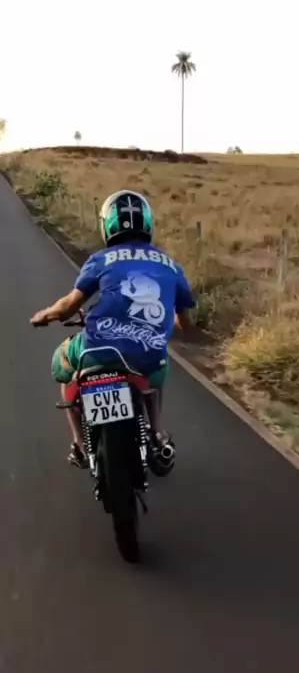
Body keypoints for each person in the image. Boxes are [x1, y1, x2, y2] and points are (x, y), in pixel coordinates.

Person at [30, 189, 196, 469]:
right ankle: (157, 433)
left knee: (64, 362)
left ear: (107, 225)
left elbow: (69, 306)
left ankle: (80, 445)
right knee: (157, 367)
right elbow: (185, 323)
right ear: (148, 223)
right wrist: (171, 328)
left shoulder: (101, 259)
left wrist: (45, 315)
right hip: (147, 357)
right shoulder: (172, 266)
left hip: (97, 350)